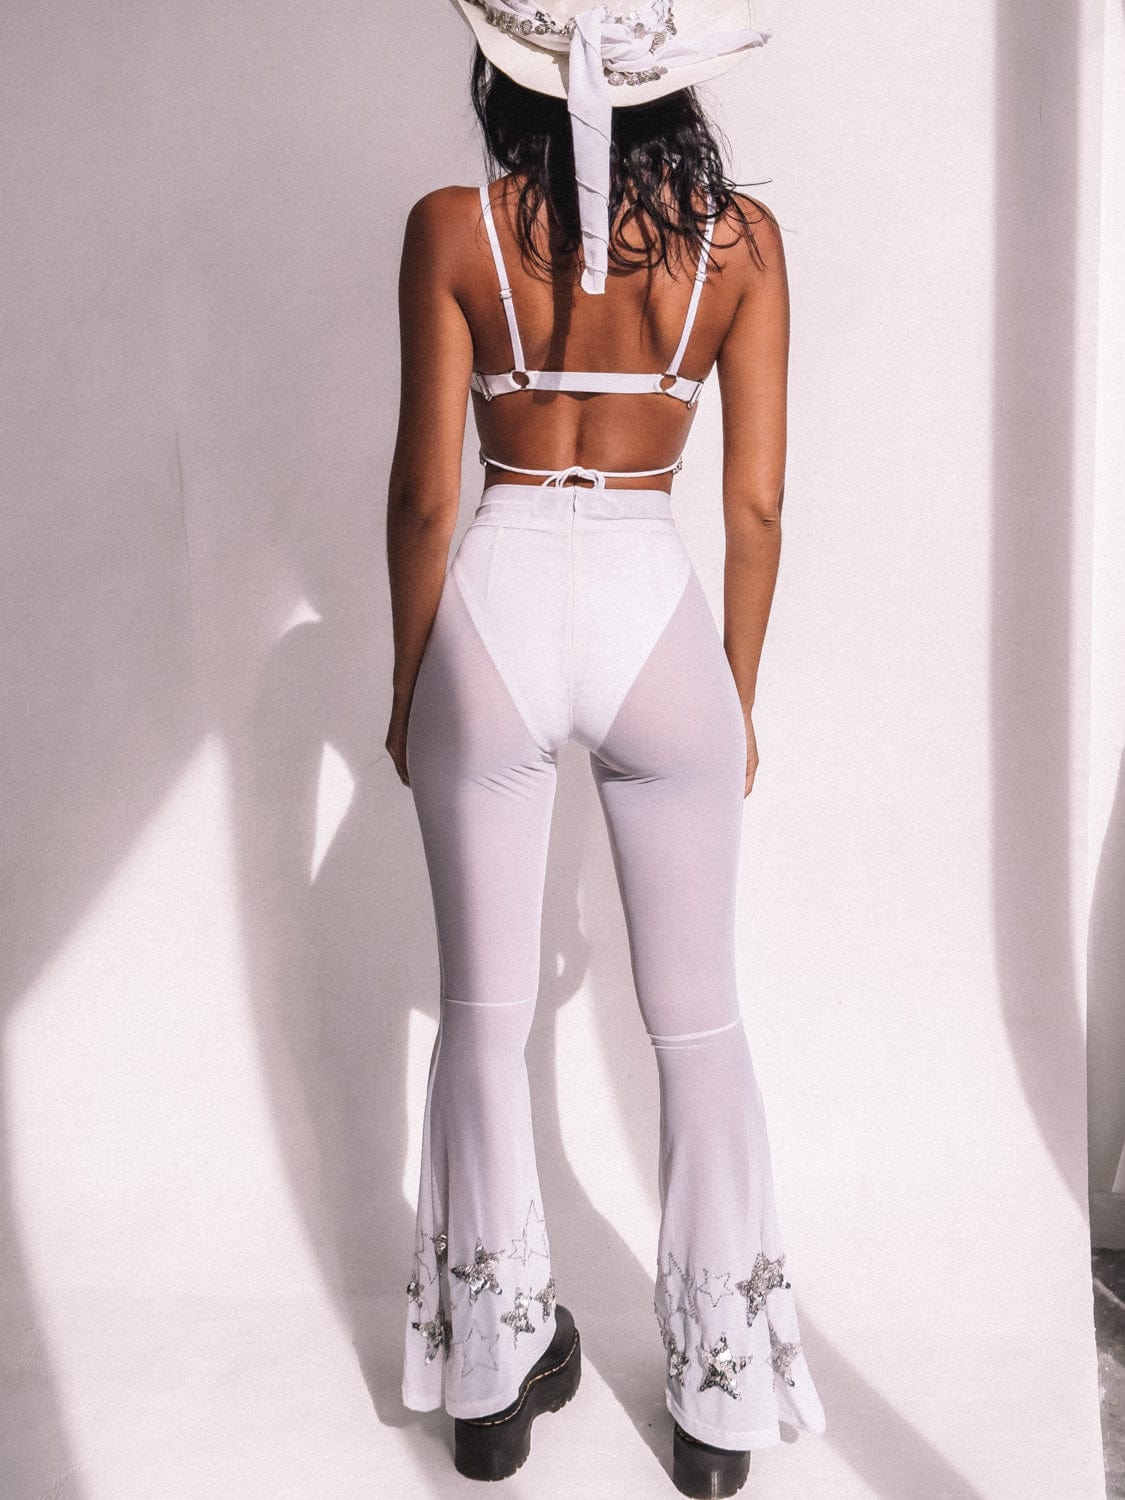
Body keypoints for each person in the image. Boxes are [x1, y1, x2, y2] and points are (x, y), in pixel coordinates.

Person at [385, 2, 827, 1493]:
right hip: (652, 604)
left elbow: (423, 497)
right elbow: (756, 508)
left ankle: (492, 1388)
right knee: (697, 1022)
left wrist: (411, 681)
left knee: (480, 1013)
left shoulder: (451, 226)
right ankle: (717, 1408)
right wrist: (733, 695)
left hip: (496, 603)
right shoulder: (740, 244)